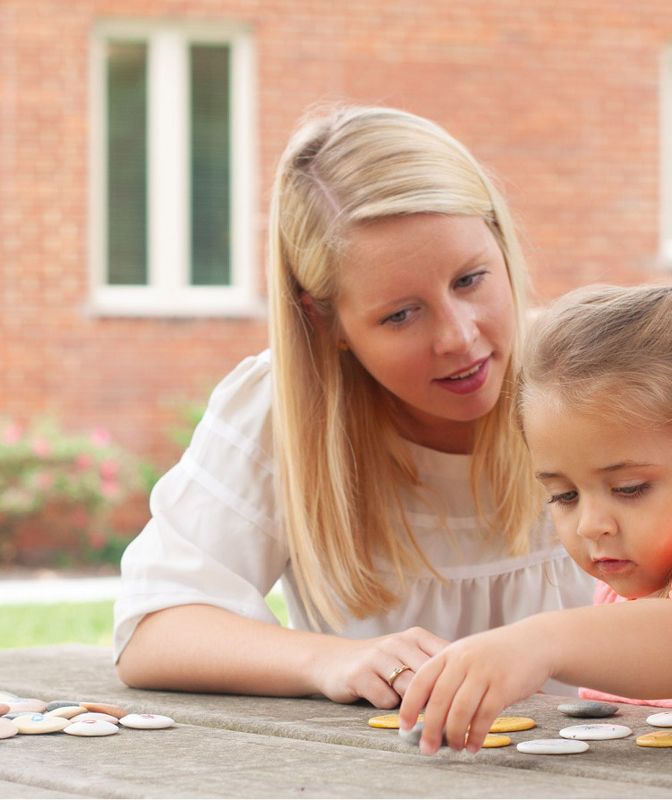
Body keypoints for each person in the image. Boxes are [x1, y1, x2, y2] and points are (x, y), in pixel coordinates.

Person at [113, 105, 594, 706]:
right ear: (325, 321)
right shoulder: (280, 413)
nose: (459, 336)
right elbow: (156, 628)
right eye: (400, 314)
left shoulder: (594, 380)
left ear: (500, 242)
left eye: (470, 280)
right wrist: (331, 661)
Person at [400, 284, 672, 754]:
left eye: (629, 489)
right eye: (564, 495)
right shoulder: (624, 592)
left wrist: (541, 641)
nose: (591, 524)